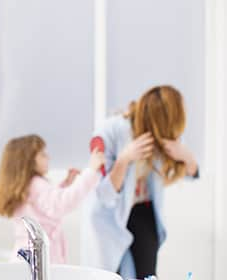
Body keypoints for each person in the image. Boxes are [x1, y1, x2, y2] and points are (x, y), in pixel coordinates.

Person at [81, 85, 199, 279]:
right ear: (155, 117)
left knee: (147, 274)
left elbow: (191, 173)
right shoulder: (112, 130)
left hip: (144, 211)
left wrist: (187, 156)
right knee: (109, 274)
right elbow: (105, 194)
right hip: (108, 216)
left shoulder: (164, 133)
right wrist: (124, 159)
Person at [0, 134, 105, 264]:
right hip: (40, 259)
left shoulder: (24, 186)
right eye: (43, 154)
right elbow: (62, 203)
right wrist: (91, 171)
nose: (48, 157)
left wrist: (65, 184)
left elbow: (43, 205)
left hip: (24, 257)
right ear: (28, 160)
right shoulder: (37, 184)